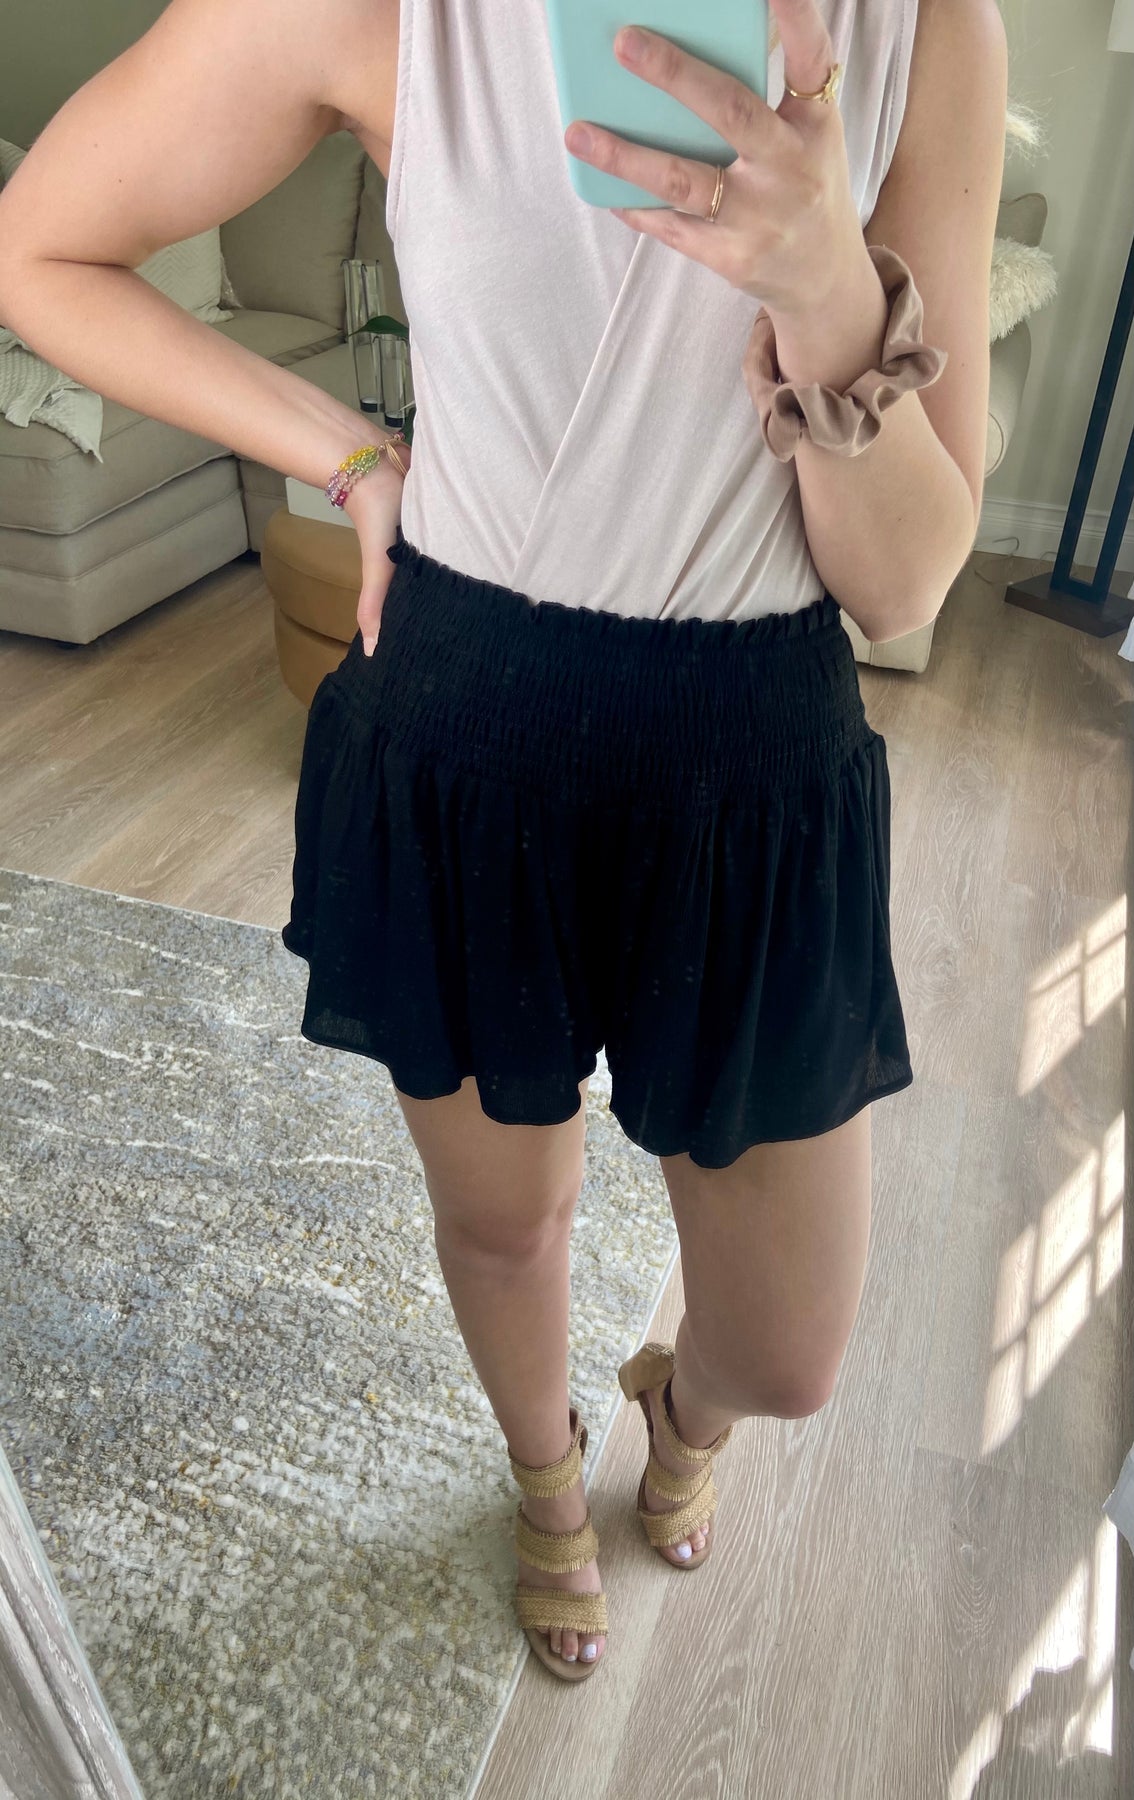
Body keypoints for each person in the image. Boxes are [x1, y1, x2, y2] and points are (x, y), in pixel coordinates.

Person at [0, 0, 1009, 1686]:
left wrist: (827, 285)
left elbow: (899, 584)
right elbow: (41, 249)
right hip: (467, 725)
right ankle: (544, 1478)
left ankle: (677, 1414)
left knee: (786, 1350)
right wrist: (346, 456)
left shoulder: (934, 30)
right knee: (503, 1226)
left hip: (751, 761)